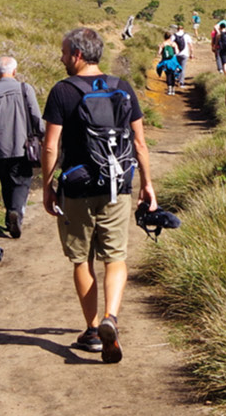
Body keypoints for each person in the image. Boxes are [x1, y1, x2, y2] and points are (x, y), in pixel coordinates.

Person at [40, 27, 156, 364]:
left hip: (76, 187)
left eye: (64, 53)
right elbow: (139, 143)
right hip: (116, 185)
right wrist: (147, 184)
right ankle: (112, 318)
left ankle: (92, 330)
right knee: (115, 256)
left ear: (77, 55)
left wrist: (48, 186)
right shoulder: (122, 88)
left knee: (81, 259)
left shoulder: (62, 91)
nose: (62, 58)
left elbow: (50, 145)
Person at [0, 55, 45, 239]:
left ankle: (10, 217)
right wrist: (43, 135)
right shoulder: (25, 89)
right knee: (22, 182)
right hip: (23, 147)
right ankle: (15, 212)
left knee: (6, 183)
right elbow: (35, 116)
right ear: (14, 72)